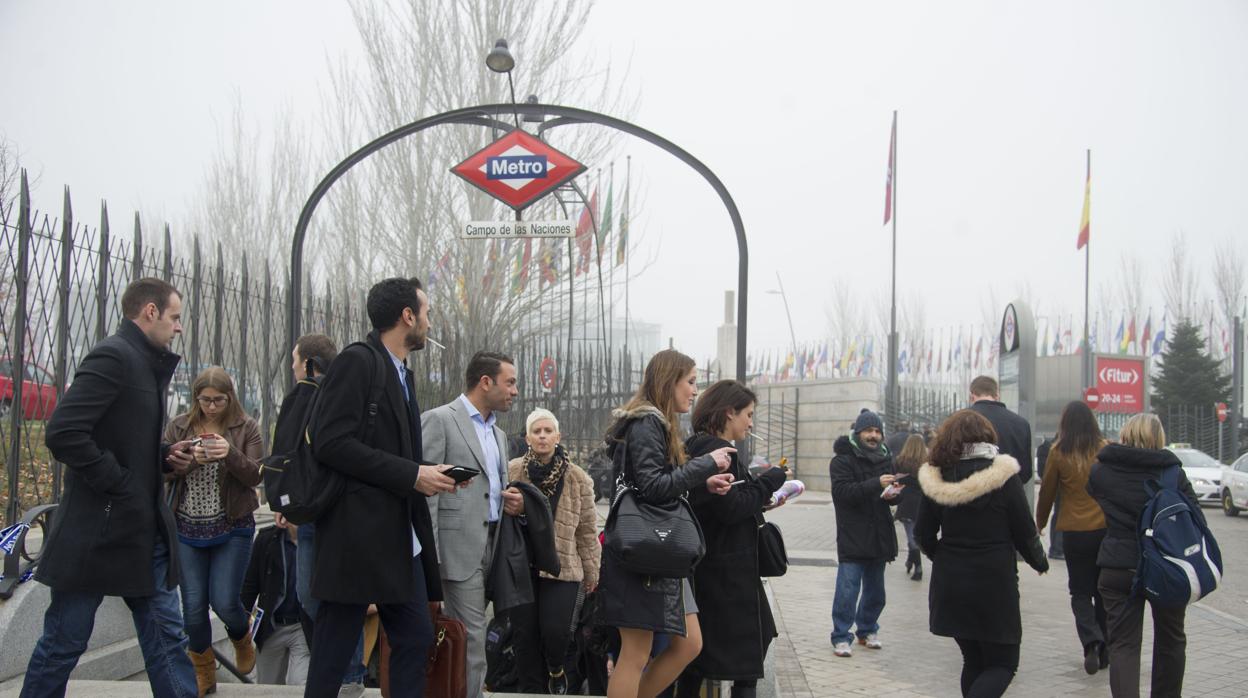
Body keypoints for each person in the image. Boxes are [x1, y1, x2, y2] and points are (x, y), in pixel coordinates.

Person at [22, 278, 197, 698]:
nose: (178, 328)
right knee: (65, 642)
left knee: (167, 638)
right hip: (96, 535)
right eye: (174, 317)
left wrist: (164, 455)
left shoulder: (144, 363)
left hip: (142, 530)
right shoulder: (113, 357)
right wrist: (120, 483)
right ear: (149, 312)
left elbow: (122, 439)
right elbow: (64, 432)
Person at [304, 277, 460, 698]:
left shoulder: (401, 373)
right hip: (355, 533)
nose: (429, 322)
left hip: (395, 535)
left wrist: (430, 471)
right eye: (426, 313)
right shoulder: (359, 361)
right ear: (407, 316)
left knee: (413, 635)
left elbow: (389, 452)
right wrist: (413, 475)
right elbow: (331, 442)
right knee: (334, 651)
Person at [598, 349, 735, 698]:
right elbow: (653, 487)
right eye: (690, 382)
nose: (694, 390)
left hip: (657, 553)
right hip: (644, 552)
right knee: (636, 652)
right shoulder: (646, 422)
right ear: (668, 381)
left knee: (689, 644)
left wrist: (701, 481)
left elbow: (657, 479)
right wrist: (705, 465)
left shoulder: (653, 422)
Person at [915, 409, 1048, 698]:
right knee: (1003, 663)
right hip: (994, 581)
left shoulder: (937, 477)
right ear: (987, 437)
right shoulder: (1004, 476)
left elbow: (922, 533)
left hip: (951, 582)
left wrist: (945, 557)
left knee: (973, 659)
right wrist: (1039, 561)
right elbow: (1024, 529)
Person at [676, 380, 787, 698]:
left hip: (720, 567)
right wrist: (770, 482)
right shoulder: (716, 451)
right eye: (748, 414)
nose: (751, 422)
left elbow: (729, 502)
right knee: (738, 659)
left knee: (707, 658)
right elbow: (731, 507)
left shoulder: (700, 446)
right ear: (729, 412)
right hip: (724, 572)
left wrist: (760, 494)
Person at [423, 350, 524, 698]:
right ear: (486, 382)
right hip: (455, 551)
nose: (514, 391)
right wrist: (430, 559)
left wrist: (508, 500)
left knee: (466, 634)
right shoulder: (440, 420)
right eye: (509, 382)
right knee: (472, 636)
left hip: (492, 548)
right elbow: (426, 493)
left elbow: (487, 489)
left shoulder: (497, 433)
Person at [273, 335, 369, 691]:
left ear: (310, 363)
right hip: (308, 513)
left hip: (337, 513)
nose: (294, 368)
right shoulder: (298, 398)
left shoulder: (335, 396)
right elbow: (287, 451)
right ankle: (339, 670)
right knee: (308, 598)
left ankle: (350, 677)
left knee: (338, 600)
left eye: (296, 361)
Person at [164, 366, 264, 694]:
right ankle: (203, 669)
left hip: (233, 525)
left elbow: (256, 475)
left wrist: (228, 453)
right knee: (192, 608)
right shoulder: (179, 426)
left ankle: (241, 635)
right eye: (204, 400)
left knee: (223, 601)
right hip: (188, 527)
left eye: (218, 400)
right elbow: (162, 470)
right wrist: (188, 459)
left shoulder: (246, 427)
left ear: (229, 397)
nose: (210, 407)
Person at [1088, 413, 1199, 698]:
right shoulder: (1172, 474)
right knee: (1171, 639)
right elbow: (1195, 518)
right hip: (1166, 567)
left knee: (1123, 644)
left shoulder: (1101, 471)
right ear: (1158, 438)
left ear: (1126, 433)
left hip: (1118, 565)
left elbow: (1094, 494)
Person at [506, 408, 601, 694]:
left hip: (564, 566)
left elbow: (586, 528)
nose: (543, 436)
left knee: (556, 632)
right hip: (521, 566)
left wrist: (592, 570)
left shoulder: (578, 478)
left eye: (548, 431)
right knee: (524, 638)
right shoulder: (513, 470)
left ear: (558, 437)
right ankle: (532, 690)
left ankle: (556, 671)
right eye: (537, 431)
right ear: (528, 438)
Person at [1034, 401, 1109, 675]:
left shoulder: (1058, 452)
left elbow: (1048, 492)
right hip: (1104, 529)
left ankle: (1091, 642)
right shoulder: (1105, 449)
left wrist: (1040, 524)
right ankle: (1106, 649)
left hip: (1075, 532)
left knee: (1080, 591)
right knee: (1104, 591)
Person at [829, 408, 900, 657]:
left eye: (877, 431)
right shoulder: (842, 460)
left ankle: (868, 629)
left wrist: (893, 494)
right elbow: (842, 493)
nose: (874, 436)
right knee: (847, 590)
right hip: (853, 535)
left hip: (879, 534)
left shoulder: (886, 458)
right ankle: (841, 635)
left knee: (876, 591)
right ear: (858, 432)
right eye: (869, 431)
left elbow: (887, 499)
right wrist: (875, 484)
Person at [240, 513, 310, 685]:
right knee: (267, 686)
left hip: (303, 627)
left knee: (300, 685)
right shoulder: (266, 540)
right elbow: (250, 584)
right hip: (271, 627)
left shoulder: (315, 541)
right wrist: (241, 626)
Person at [968, 376, 1033, 484]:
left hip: (969, 494)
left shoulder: (957, 421)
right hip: (1008, 495)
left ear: (971, 396)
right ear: (997, 396)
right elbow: (1026, 472)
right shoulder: (1021, 424)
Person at [893, 433, 927, 582]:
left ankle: (918, 568)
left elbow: (894, 481)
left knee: (911, 535)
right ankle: (910, 561)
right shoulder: (927, 463)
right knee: (914, 535)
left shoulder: (900, 461)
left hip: (906, 503)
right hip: (922, 504)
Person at [1035, 436, 1064, 559]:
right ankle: (1057, 549)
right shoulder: (1055, 450)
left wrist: (1040, 522)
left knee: (1058, 514)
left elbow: (1046, 490)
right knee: (1059, 514)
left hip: (1058, 489)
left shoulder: (1053, 448)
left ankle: (1056, 549)